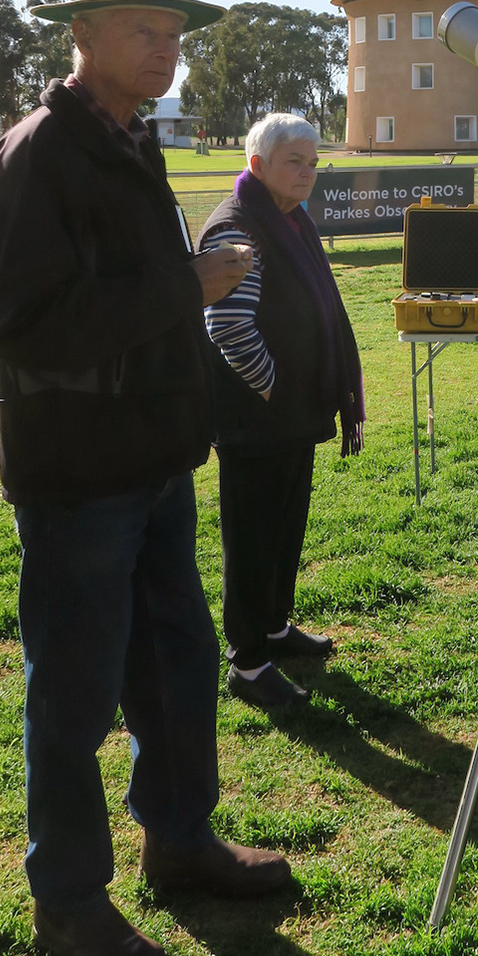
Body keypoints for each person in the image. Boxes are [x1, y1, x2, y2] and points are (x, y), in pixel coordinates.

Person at [0, 0, 294, 956]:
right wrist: (185, 285)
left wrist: (181, 301)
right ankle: (69, 903)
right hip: (79, 478)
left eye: (175, 32)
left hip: (156, 462)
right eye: (144, 30)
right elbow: (22, 326)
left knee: (177, 667)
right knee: (73, 698)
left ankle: (180, 840)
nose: (167, 48)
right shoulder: (41, 152)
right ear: (84, 35)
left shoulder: (131, 141)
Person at [198, 113, 364, 711]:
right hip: (257, 419)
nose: (307, 172)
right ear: (258, 164)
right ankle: (248, 662)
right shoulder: (237, 228)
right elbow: (227, 325)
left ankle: (273, 627)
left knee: (285, 526)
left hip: (292, 415)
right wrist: (272, 389)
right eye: (294, 161)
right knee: (252, 537)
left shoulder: (290, 220)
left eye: (313, 162)